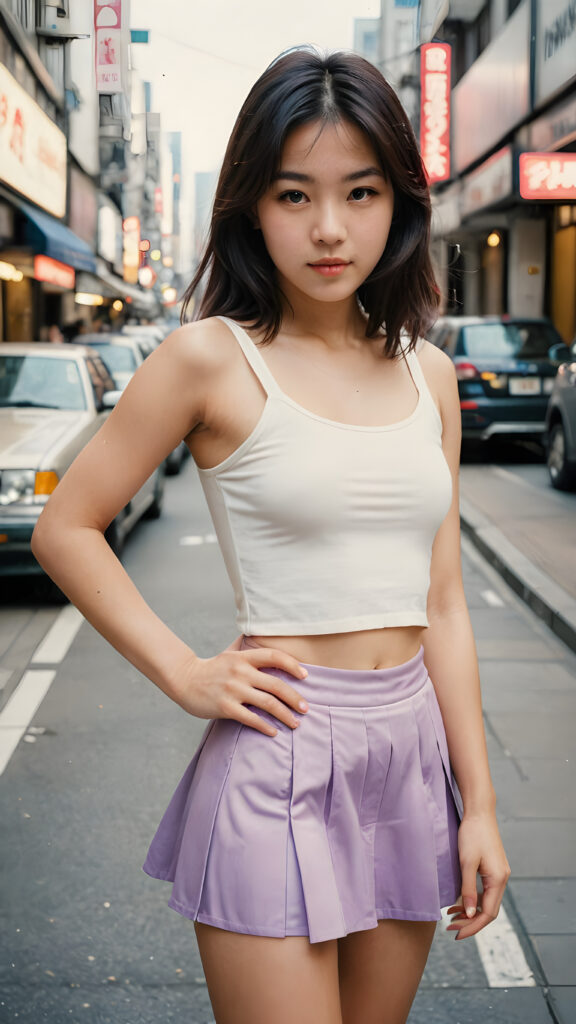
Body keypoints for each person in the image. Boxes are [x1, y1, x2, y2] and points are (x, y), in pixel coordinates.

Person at [31, 47, 510, 1024]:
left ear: (399, 203)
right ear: (253, 206)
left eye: (360, 192)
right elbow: (66, 525)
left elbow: (445, 604)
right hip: (276, 754)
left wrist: (482, 805)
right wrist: (184, 673)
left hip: (407, 756)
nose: (329, 227)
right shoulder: (209, 359)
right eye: (295, 195)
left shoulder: (427, 374)